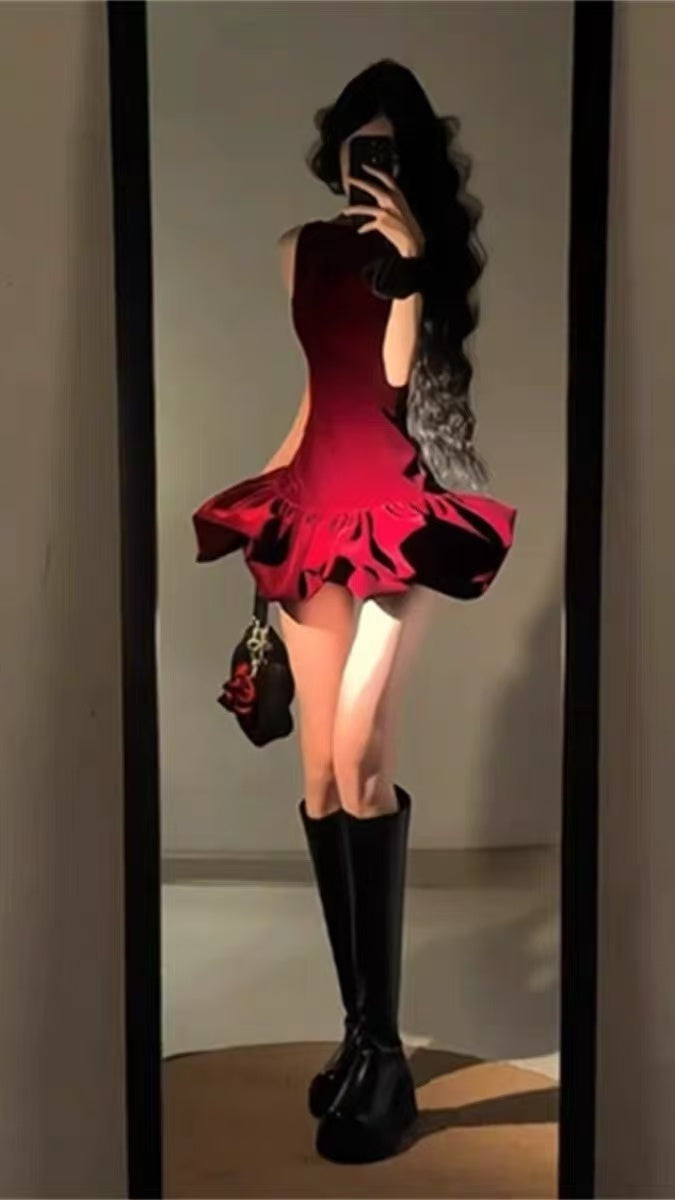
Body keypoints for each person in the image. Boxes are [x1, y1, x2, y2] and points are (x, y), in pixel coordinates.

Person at [192, 59, 517, 1164]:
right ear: (334, 149)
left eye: (385, 148)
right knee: (321, 778)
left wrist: (413, 266)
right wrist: (259, 518)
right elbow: (315, 392)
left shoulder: (414, 261)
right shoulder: (299, 250)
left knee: (362, 756)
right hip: (311, 502)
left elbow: (384, 382)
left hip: (391, 511)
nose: (362, 160)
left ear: (407, 163)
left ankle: (381, 1056)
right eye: (353, 142)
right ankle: (365, 1034)